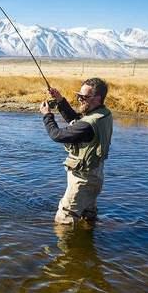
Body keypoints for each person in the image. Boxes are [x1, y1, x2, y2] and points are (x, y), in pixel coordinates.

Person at [40, 77, 113, 225]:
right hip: (95, 175)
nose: (80, 99)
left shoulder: (89, 123)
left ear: (97, 98)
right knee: (88, 218)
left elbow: (57, 135)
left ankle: (65, 248)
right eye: (78, 95)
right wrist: (60, 100)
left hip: (83, 180)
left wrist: (47, 115)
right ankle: (87, 246)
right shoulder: (104, 114)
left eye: (84, 97)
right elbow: (76, 120)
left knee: (63, 220)